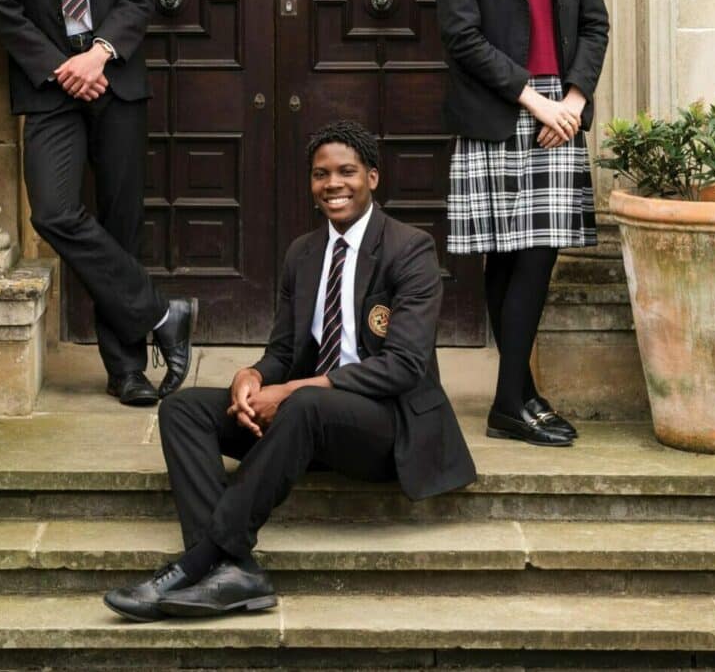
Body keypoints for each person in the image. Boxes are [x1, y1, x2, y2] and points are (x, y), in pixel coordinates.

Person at [105, 120, 475, 621]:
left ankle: (200, 561)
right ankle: (235, 571)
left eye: (346, 172)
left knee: (304, 402)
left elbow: (404, 366)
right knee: (183, 409)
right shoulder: (303, 253)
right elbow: (282, 351)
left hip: (387, 427)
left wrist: (295, 387)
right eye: (321, 174)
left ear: (372, 177)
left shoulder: (410, 249)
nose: (333, 184)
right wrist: (252, 377)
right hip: (309, 422)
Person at [0, 0, 194, 407]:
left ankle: (127, 369)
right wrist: (62, 66)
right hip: (51, 87)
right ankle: (162, 313)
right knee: (52, 209)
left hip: (115, 79)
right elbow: (2, 7)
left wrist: (99, 53)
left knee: (121, 224)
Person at [437, 0, 609, 448]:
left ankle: (513, 396)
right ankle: (516, 398)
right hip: (500, 111)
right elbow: (461, 35)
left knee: (537, 254)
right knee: (504, 257)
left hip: (558, 112)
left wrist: (573, 95)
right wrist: (537, 103)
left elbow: (595, 24)